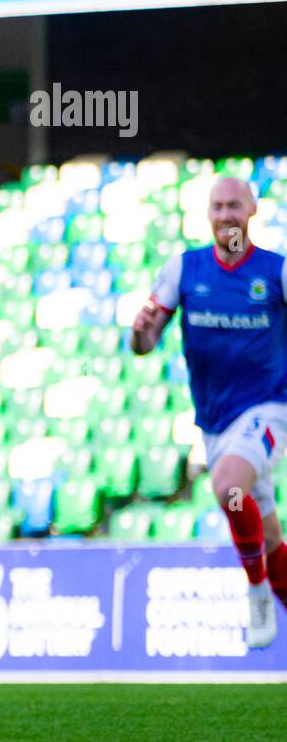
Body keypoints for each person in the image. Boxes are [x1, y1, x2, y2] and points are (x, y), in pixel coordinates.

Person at [130, 177, 287, 650]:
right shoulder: (184, 269)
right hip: (215, 424)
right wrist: (139, 332)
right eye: (217, 207)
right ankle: (270, 575)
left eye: (234, 206)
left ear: (252, 211)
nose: (225, 215)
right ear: (208, 214)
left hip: (268, 412)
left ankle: (255, 588)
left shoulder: (276, 272)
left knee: (228, 488)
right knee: (270, 534)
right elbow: (143, 344)